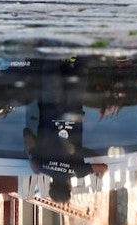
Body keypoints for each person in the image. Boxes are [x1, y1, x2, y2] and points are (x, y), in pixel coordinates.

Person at [22, 58, 108, 203]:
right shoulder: (39, 166)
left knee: (82, 64)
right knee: (51, 62)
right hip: (50, 106)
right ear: (51, 185)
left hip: (73, 106)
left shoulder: (78, 171)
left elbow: (103, 167)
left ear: (69, 187)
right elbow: (27, 134)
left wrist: (100, 173)